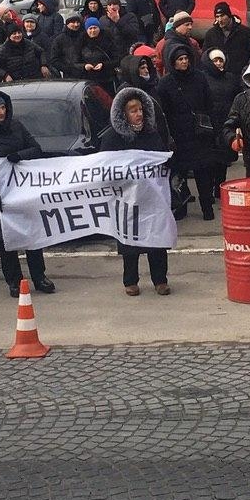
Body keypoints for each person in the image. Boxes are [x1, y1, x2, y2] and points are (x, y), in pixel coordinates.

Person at [0, 89, 55, 297]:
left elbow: (36, 149)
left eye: (3, 108)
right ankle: (14, 281)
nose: (1, 113)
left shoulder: (16, 126)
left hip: (22, 193)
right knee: (6, 242)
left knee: (32, 237)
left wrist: (19, 156)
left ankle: (39, 276)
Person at [99, 87, 172, 296]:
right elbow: (104, 167)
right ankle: (130, 280)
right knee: (129, 240)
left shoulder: (152, 133)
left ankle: (160, 280)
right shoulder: (113, 138)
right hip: (127, 199)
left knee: (156, 237)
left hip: (152, 197)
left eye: (140, 109)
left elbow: (163, 160)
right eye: (133, 111)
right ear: (123, 114)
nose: (138, 114)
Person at [155, 44, 220, 220]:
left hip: (200, 134)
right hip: (179, 136)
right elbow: (163, 111)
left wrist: (213, 127)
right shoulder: (166, 83)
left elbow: (209, 103)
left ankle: (207, 208)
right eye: (180, 59)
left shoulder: (199, 77)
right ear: (173, 62)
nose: (184, 62)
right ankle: (181, 207)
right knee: (180, 175)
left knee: (203, 173)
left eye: (186, 58)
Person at [202, 49, 240, 189]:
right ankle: (208, 190)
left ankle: (220, 188)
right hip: (209, 125)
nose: (218, 63)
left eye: (221, 60)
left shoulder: (231, 78)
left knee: (223, 160)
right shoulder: (202, 78)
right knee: (209, 161)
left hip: (226, 123)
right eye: (215, 60)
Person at [202, 2, 250, 78]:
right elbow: (205, 56)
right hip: (218, 77)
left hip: (240, 76)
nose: (219, 20)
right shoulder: (211, 34)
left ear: (229, 15)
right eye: (217, 16)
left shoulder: (245, 32)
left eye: (222, 16)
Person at [77, 18, 117, 94]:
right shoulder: (81, 42)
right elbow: (75, 62)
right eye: (90, 28)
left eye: (95, 28)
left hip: (107, 79)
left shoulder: (108, 40)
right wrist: (84, 66)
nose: (93, 31)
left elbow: (117, 59)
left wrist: (103, 65)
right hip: (88, 80)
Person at [49, 13, 85, 78]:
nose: (76, 25)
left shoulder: (84, 37)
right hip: (69, 76)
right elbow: (54, 59)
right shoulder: (59, 39)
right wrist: (68, 69)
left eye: (78, 22)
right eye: (73, 22)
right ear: (67, 24)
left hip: (85, 73)